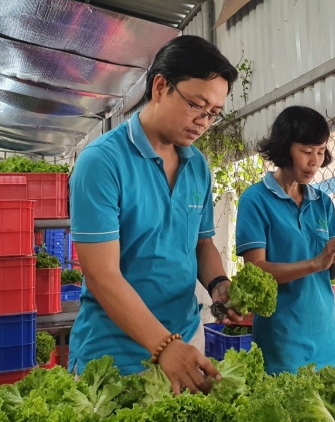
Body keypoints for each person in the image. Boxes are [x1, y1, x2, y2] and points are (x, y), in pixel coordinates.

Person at [69, 35, 241, 394]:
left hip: (185, 342)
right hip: (115, 357)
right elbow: (102, 276)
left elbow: (201, 242)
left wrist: (219, 285)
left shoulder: (198, 166)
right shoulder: (102, 162)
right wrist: (163, 346)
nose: (204, 121)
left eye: (214, 113)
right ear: (161, 86)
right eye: (197, 105)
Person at [235, 105, 335, 375]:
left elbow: (332, 267)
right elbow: (256, 272)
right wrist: (315, 263)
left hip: (327, 339)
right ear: (285, 148)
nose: (315, 161)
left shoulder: (323, 203)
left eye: (320, 152)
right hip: (283, 344)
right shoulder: (255, 200)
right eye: (307, 152)